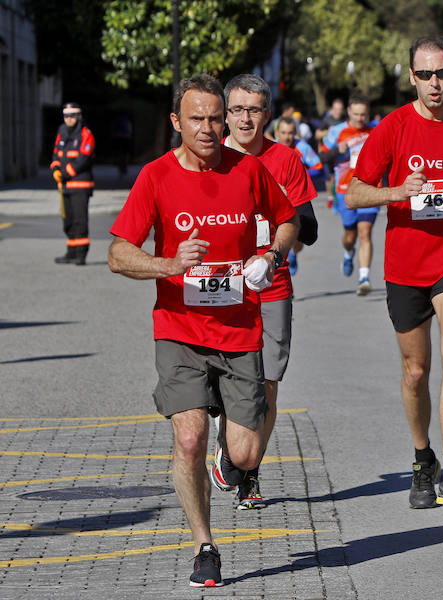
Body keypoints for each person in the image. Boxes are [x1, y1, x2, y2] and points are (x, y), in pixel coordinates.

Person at [107, 74, 299, 587]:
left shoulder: (250, 170)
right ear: (177, 122)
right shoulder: (155, 177)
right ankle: (204, 545)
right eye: (198, 118)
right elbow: (118, 255)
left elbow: (288, 220)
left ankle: (230, 456)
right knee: (188, 439)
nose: (210, 128)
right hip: (180, 330)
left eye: (217, 118)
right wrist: (168, 264)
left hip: (239, 332)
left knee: (246, 454)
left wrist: (271, 256)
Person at [347, 35, 443, 509]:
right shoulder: (392, 128)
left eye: (442, 73)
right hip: (406, 265)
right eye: (425, 75)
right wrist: (397, 193)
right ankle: (423, 460)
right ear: (411, 77)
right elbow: (354, 193)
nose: (435, 84)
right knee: (415, 371)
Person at [223, 74, 318, 509]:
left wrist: (278, 248)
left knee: (268, 385)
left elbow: (305, 225)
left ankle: (250, 471)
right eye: (238, 109)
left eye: (254, 110)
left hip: (273, 286)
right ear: (226, 113)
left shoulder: (286, 160)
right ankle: (230, 447)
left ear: (267, 114)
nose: (246, 118)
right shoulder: (209, 156)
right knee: (227, 382)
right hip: (221, 288)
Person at [320, 95, 377, 295]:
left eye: (364, 115)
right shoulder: (337, 131)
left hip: (370, 189)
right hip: (345, 190)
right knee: (351, 236)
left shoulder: (375, 130)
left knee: (365, 232)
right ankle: (348, 251)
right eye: (356, 114)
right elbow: (322, 157)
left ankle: (364, 278)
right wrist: (337, 150)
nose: (360, 119)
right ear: (349, 113)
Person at [275, 116, 325, 275]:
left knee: (298, 238)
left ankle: (294, 254)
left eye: (290, 133)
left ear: (295, 133)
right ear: (277, 133)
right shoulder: (271, 149)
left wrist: (300, 174)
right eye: (283, 133)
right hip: (279, 198)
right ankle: (282, 268)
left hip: (297, 196)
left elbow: (318, 167)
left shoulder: (302, 147)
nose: (287, 137)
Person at [50, 102, 95, 265]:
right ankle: (71, 251)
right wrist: (55, 169)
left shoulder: (86, 133)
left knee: (79, 220)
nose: (68, 119)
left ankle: (81, 253)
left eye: (72, 116)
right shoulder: (61, 131)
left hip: (80, 185)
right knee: (67, 220)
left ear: (79, 116)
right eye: (66, 116)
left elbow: (83, 158)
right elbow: (56, 153)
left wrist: (65, 173)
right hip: (64, 185)